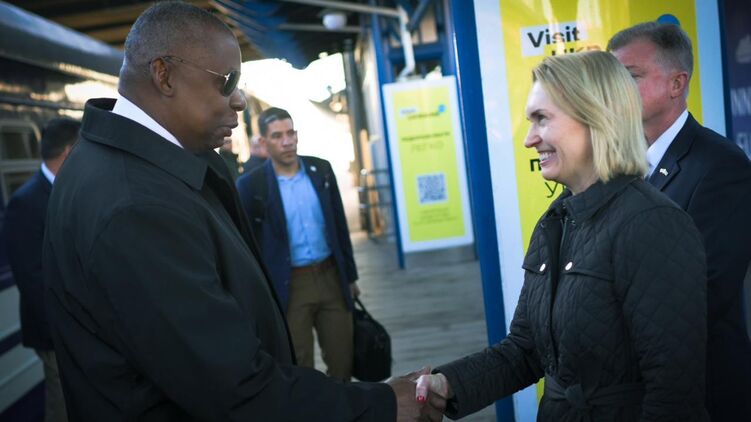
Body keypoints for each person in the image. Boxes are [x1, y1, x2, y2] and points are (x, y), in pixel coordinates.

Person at [42, 2, 442, 421]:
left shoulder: (135, 164)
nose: (239, 99)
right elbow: (234, 390)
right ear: (164, 75)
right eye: (227, 81)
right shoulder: (134, 209)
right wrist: (382, 404)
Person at [414, 51, 709, 420]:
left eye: (542, 119)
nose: (529, 139)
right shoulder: (556, 221)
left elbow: (674, 395)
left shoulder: (653, 224)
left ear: (596, 116)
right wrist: (447, 384)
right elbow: (525, 350)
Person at [608, 22, 751, 421]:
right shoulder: (615, 165)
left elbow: (705, 292)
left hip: (702, 392)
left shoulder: (721, 165)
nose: (616, 90)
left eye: (631, 76)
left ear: (677, 84)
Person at [236, 107, 360, 381]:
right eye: (277, 136)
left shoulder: (321, 170)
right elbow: (247, 246)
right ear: (264, 142)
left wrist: (350, 276)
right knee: (299, 365)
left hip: (330, 276)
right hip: (289, 286)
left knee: (342, 359)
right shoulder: (251, 186)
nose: (287, 141)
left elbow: (339, 226)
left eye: (291, 133)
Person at [4, 117, 79, 422]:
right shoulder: (25, 202)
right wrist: (65, 334)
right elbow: (32, 279)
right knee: (63, 408)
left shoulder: (67, 189)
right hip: (55, 336)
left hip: (74, 328)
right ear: (69, 151)